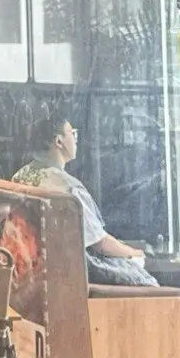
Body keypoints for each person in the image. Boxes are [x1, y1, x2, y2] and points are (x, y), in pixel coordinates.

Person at [12, 112, 158, 287]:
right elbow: (100, 244)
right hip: (70, 269)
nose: (76, 139)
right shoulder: (67, 187)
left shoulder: (18, 177)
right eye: (72, 133)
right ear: (59, 141)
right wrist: (133, 253)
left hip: (29, 266)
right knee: (143, 276)